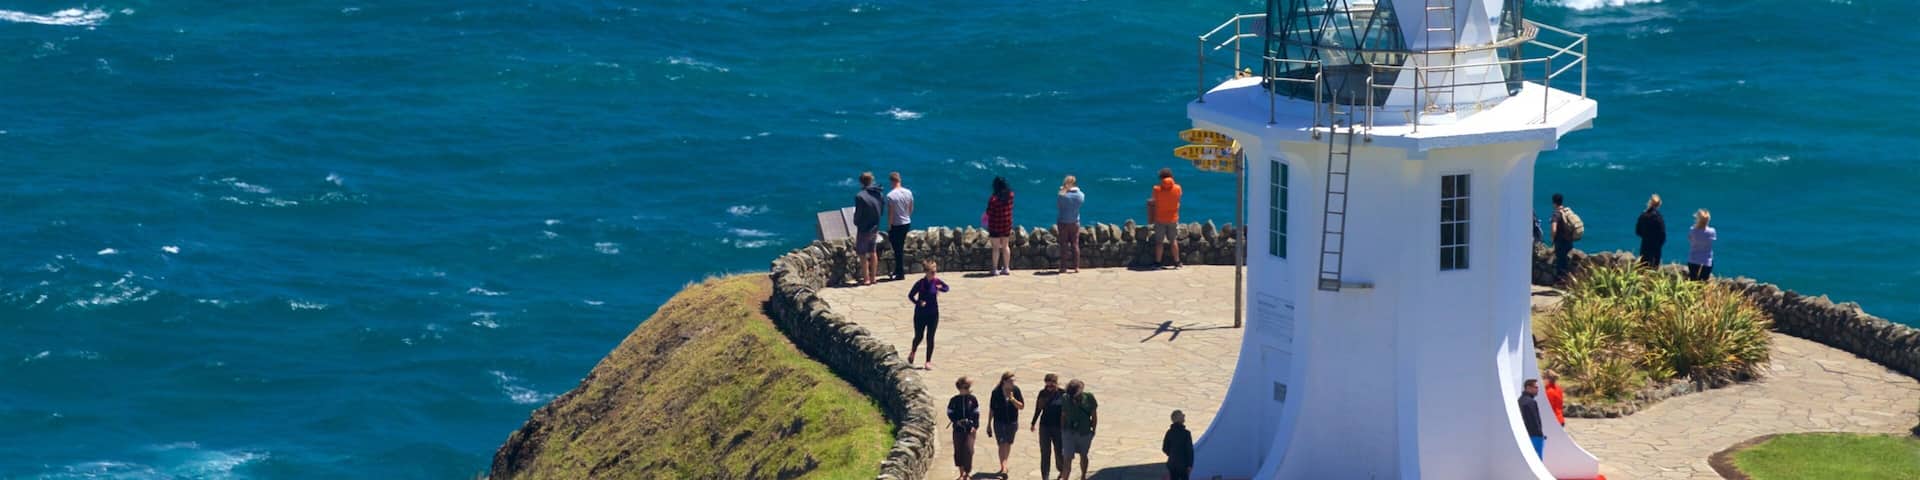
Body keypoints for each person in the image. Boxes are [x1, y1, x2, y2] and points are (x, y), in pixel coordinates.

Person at [906, 260, 949, 370]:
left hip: (933, 314)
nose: (934, 273)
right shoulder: (920, 283)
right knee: (919, 336)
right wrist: (918, 303)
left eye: (935, 271)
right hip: (920, 314)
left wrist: (940, 288)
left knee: (930, 337)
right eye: (932, 271)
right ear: (926, 272)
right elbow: (910, 295)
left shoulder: (936, 281)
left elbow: (947, 288)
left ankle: (928, 361)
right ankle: (913, 351)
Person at [1029, 373, 1068, 480]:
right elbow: (1038, 408)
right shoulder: (1042, 394)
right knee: (1045, 452)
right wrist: (1033, 423)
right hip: (1045, 426)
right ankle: (1045, 476)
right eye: (1047, 385)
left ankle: (1062, 470)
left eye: (1052, 385)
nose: (1049, 388)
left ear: (1056, 383)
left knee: (1059, 451)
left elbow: (1067, 411)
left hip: (1058, 427)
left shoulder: (1063, 394)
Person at [987, 371, 1026, 477]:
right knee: (1001, 443)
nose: (1013, 383)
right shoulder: (996, 392)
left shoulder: (1016, 390)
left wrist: (1013, 400)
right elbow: (992, 409)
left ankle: (1005, 463)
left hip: (1012, 421)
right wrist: (988, 424)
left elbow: (1021, 406)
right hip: (999, 421)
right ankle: (1003, 467)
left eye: (1014, 381)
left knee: (1008, 443)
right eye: (1010, 381)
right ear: (1004, 381)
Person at [852, 172, 886, 286]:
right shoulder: (879, 193)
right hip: (875, 227)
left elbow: (858, 214)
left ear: (861, 182)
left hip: (864, 228)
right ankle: (873, 278)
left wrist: (856, 222)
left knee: (862, 253)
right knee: (873, 251)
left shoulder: (860, 196)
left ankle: (866, 278)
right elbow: (881, 210)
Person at [1060, 379, 1098, 480]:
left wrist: (1093, 429)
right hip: (1069, 431)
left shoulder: (1089, 397)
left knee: (1083, 455)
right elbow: (1063, 414)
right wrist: (1062, 429)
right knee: (1067, 458)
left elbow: (1094, 415)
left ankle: (1083, 476)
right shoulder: (1065, 398)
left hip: (1084, 431)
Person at [947, 377, 981, 480]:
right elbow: (950, 413)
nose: (968, 389)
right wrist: (957, 421)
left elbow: (976, 413)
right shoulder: (954, 400)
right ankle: (961, 473)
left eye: (968, 387)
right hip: (958, 429)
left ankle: (967, 471)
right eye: (966, 387)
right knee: (959, 450)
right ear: (960, 388)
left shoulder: (973, 399)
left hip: (970, 430)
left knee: (969, 450)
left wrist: (975, 426)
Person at [1150, 168, 1184, 269]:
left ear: (1161, 178)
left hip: (1160, 218)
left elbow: (1153, 199)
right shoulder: (1178, 188)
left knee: (1159, 242)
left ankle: (1158, 263)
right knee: (1173, 241)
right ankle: (1177, 262)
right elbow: (1179, 197)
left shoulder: (1156, 189)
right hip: (1173, 218)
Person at [886, 172, 916, 281]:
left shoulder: (890, 196)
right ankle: (898, 271)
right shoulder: (908, 192)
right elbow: (911, 207)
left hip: (896, 224)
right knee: (900, 248)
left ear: (892, 181)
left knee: (897, 249)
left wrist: (889, 225)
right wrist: (907, 216)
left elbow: (890, 213)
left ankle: (900, 273)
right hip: (906, 222)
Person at [986, 177, 1016, 276]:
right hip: (1006, 224)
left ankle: (995, 269)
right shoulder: (1011, 196)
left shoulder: (993, 199)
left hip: (995, 225)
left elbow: (989, 212)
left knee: (995, 248)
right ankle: (1006, 268)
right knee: (1005, 246)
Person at [1056, 176, 1085, 274]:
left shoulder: (1062, 195)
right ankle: (1076, 267)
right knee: (1075, 244)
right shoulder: (1080, 195)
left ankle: (1063, 267)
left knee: (1064, 245)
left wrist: (1063, 190)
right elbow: (1080, 201)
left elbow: (1059, 205)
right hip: (1074, 222)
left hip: (1063, 221)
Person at [1635, 194, 1667, 268]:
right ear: (1659, 205)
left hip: (1645, 244)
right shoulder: (1658, 217)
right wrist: (1659, 243)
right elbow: (1662, 233)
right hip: (1656, 246)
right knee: (1654, 267)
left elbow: (1637, 231)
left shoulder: (1643, 216)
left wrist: (1645, 236)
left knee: (1643, 266)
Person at [1162, 410, 1195, 480]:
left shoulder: (1169, 432)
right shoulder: (1186, 433)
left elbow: (1165, 448)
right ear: (1178, 418)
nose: (1184, 416)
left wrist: (1172, 454)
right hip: (1183, 465)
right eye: (1182, 415)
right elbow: (1189, 450)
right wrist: (1190, 465)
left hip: (1172, 464)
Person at [1550, 193, 1575, 278]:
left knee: (1560, 263)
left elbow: (1554, 229)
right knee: (1566, 262)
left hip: (1561, 242)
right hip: (1569, 241)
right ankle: (1567, 282)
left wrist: (1552, 239)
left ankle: (1561, 282)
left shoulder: (1556, 214)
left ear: (1554, 203)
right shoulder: (1567, 211)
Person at [1520, 379, 1546, 460]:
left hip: (1525, 435)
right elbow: (1534, 420)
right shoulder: (1530, 402)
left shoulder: (1520, 400)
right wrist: (1540, 435)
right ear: (1528, 387)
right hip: (1534, 436)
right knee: (1537, 460)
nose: (1537, 389)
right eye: (1535, 387)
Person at [1688, 209, 1717, 281]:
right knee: (1703, 283)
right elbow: (1713, 239)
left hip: (1693, 260)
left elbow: (1690, 239)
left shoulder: (1692, 230)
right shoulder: (1712, 231)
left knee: (1693, 281)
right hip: (1706, 261)